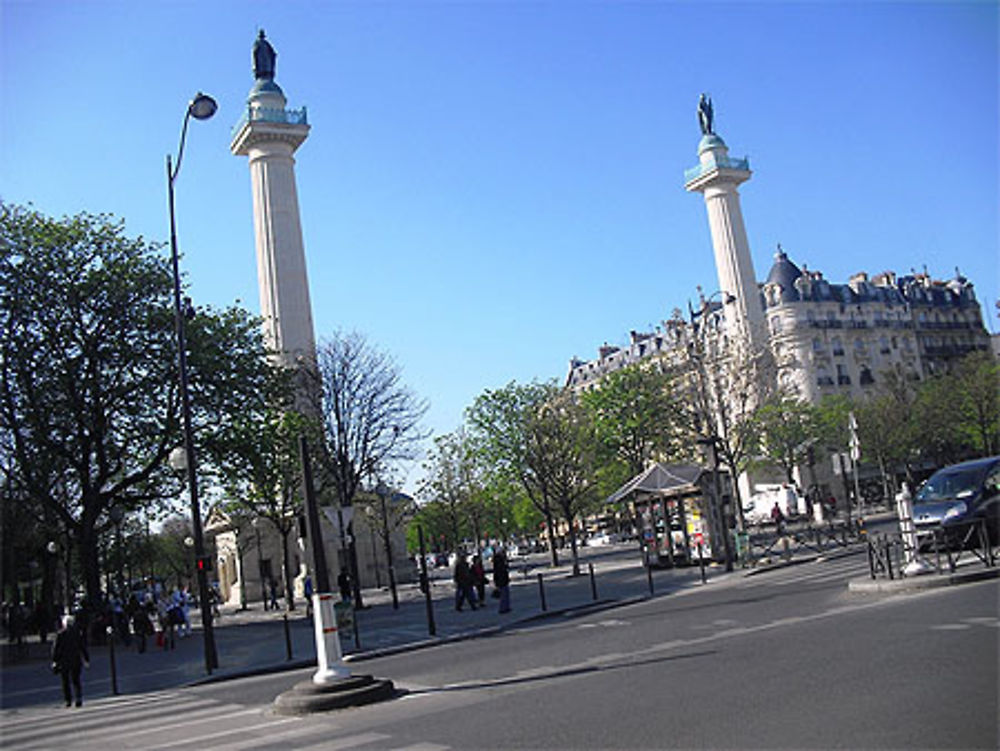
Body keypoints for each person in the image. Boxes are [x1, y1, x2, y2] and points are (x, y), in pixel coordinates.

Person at [51, 615, 89, 707]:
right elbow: (82, 647)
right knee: (76, 680)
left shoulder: (60, 635)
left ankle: (68, 700)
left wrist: (55, 660)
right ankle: (78, 698)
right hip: (76, 660)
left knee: (66, 682)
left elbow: (55, 649)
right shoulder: (77, 634)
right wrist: (86, 659)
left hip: (64, 661)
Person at [493, 549, 511, 614]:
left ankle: (505, 607)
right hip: (502, 580)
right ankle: (503, 608)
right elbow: (502, 571)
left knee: (504, 594)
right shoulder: (500, 562)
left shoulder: (498, 562)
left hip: (501, 580)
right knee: (504, 595)